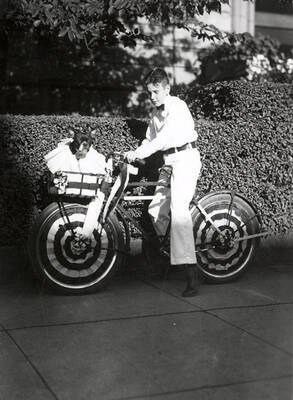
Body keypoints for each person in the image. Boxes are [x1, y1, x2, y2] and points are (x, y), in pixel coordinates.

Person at [125, 68, 201, 297]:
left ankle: (190, 274)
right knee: (156, 209)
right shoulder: (156, 116)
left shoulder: (177, 107)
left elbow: (164, 139)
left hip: (185, 159)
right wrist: (133, 153)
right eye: (150, 92)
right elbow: (149, 139)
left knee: (179, 212)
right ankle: (167, 257)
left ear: (167, 89)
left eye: (156, 91)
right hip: (169, 162)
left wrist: (142, 151)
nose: (152, 97)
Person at [45, 129, 106, 245]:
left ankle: (87, 232)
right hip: (79, 183)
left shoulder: (92, 156)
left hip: (78, 183)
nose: (82, 150)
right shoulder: (67, 153)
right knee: (98, 196)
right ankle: (87, 233)